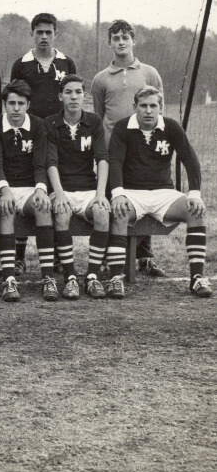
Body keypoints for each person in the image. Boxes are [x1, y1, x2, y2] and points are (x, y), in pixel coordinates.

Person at [108, 86, 210, 299]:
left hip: (163, 192)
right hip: (131, 192)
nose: (148, 111)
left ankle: (197, 278)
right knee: (119, 212)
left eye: (153, 106)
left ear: (160, 108)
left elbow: (191, 161)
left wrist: (194, 194)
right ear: (134, 107)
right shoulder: (122, 127)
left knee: (195, 211)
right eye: (143, 105)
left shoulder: (171, 127)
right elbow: (115, 162)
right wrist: (117, 193)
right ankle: (115, 279)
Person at [91, 19, 166, 276]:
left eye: (125, 37)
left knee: (144, 198)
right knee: (116, 202)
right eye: (116, 38)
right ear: (110, 42)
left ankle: (145, 256)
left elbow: (157, 110)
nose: (121, 42)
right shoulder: (101, 79)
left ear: (134, 40)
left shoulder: (150, 73)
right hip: (114, 152)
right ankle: (107, 258)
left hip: (143, 150)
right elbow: (100, 118)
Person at [7, 12, 78, 274]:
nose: (44, 36)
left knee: (54, 185)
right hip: (31, 132)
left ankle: (59, 256)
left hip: (58, 131)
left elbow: (70, 92)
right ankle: (18, 256)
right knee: (29, 186)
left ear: (56, 34)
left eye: (49, 32)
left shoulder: (66, 63)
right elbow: (17, 97)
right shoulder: (22, 64)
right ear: (32, 34)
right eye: (40, 32)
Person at [45, 74, 114, 300]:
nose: (73, 97)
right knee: (62, 212)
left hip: (87, 189)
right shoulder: (51, 123)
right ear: (60, 96)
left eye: (78, 92)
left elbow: (102, 158)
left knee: (103, 212)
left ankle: (92, 276)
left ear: (84, 96)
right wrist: (60, 194)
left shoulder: (93, 121)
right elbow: (51, 162)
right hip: (61, 189)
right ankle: (71, 277)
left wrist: (100, 194)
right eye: (68, 92)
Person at [0, 80, 52, 302]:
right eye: (11, 103)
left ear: (28, 105)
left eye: (20, 103)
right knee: (6, 209)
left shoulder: (38, 125)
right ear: (4, 104)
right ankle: (9, 279)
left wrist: (41, 190)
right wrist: (4, 191)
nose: (16, 108)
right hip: (3, 186)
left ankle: (48, 278)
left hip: (30, 188)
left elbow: (40, 163)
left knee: (43, 206)